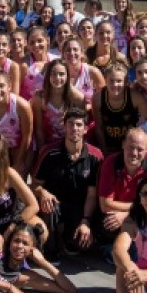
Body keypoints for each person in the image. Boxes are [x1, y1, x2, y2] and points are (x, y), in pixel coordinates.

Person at [32, 109, 103, 260]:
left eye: (79, 125)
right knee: (49, 205)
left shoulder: (95, 156)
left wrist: (86, 221)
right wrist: (43, 192)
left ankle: (68, 239)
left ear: (85, 129)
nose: (74, 128)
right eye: (70, 124)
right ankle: (50, 251)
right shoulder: (49, 152)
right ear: (64, 127)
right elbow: (34, 185)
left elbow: (92, 194)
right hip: (53, 206)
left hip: (79, 207)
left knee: (81, 245)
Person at [98, 128, 147, 242]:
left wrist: (126, 215)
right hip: (118, 214)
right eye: (131, 147)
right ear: (123, 145)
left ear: (146, 150)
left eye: (140, 149)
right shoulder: (110, 163)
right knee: (108, 224)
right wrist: (139, 206)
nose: (134, 153)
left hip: (143, 215)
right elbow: (105, 205)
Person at [94, 62, 147, 156]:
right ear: (105, 80)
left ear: (126, 82)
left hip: (132, 148)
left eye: (119, 81)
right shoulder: (98, 98)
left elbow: (146, 126)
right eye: (111, 80)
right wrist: (104, 152)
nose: (115, 84)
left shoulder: (136, 97)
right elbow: (99, 127)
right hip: (109, 146)